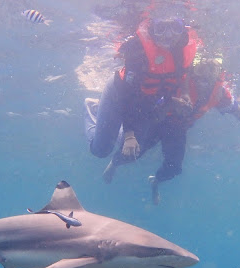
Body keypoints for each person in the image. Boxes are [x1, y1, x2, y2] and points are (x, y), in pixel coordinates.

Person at [98, 57, 240, 204]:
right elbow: (149, 107)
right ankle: (114, 163)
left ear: (216, 79)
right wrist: (172, 103)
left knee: (174, 168)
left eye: (206, 80)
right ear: (193, 73)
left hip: (178, 129)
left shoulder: (220, 93)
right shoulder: (178, 82)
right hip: (157, 122)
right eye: (198, 78)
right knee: (132, 153)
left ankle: (156, 182)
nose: (201, 83)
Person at [84, 13, 200, 165]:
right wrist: (129, 135)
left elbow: (185, 71)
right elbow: (127, 95)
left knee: (134, 149)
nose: (169, 35)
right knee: (101, 150)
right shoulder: (138, 51)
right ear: (151, 30)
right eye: (161, 28)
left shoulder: (183, 49)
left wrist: (184, 94)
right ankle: (92, 108)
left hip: (143, 103)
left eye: (175, 28)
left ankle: (113, 124)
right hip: (119, 95)